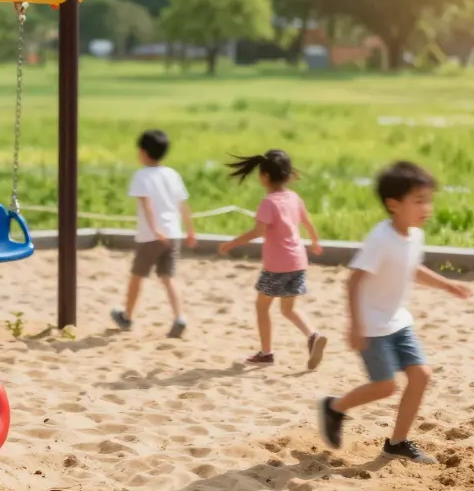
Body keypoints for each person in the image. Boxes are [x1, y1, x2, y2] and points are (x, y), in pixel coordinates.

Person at [318, 161, 472, 464]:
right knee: (385, 387)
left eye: (429, 200)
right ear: (393, 204)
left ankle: (397, 442)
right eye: (419, 201)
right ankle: (334, 407)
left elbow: (412, 268)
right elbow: (354, 280)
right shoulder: (380, 239)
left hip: (398, 321)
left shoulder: (415, 236)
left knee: (421, 376)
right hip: (372, 326)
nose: (427, 208)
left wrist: (446, 285)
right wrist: (355, 325)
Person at [217, 149, 327, 367]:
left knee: (262, 307)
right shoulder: (294, 197)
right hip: (298, 262)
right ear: (287, 174)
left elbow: (258, 231)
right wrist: (315, 242)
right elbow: (307, 222)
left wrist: (232, 243)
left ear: (264, 176)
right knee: (288, 309)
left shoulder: (269, 203)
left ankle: (266, 353)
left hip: (277, 265)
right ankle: (313, 335)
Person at [111, 129, 197, 337]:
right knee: (168, 277)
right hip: (173, 233)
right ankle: (179, 317)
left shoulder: (142, 176)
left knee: (137, 276)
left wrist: (155, 228)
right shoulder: (172, 174)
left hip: (151, 236)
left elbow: (147, 205)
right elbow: (183, 205)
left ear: (142, 151)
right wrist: (190, 230)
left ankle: (127, 316)